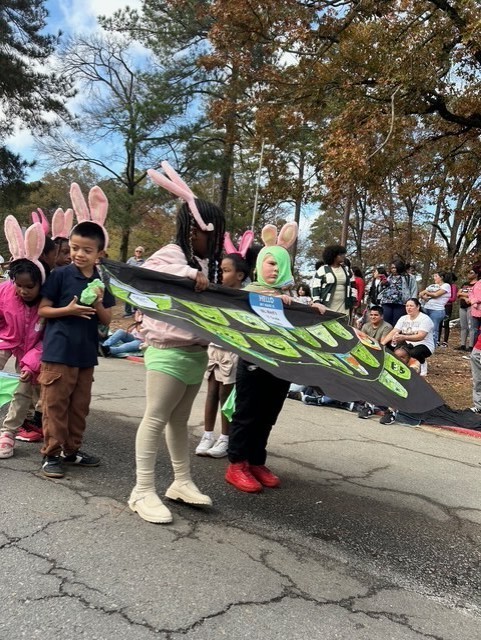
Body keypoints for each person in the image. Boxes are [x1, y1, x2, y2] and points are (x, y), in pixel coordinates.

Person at [127, 162, 225, 524]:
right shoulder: (174, 254)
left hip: (196, 354)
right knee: (155, 418)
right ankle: (142, 489)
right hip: (167, 352)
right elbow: (148, 274)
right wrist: (188, 273)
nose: (213, 241)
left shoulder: (203, 261)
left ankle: (181, 482)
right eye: (209, 233)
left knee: (179, 422)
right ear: (194, 228)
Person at [225, 222, 327, 493]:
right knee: (247, 414)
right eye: (268, 263)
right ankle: (237, 464)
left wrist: (313, 308)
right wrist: (272, 300)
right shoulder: (249, 292)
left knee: (268, 416)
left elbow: (300, 312)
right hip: (254, 363)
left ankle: (257, 461)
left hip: (282, 366)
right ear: (259, 265)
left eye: (277, 264)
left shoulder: (291, 296)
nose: (272, 269)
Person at [38, 183, 115, 479]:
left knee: (79, 407)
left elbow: (107, 319)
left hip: (85, 356)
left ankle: (72, 451)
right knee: (55, 405)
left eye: (86, 250)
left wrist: (96, 302)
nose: (78, 254)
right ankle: (51, 454)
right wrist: (67, 311)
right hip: (58, 352)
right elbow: (43, 310)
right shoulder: (60, 275)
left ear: (99, 252)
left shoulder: (101, 280)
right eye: (74, 248)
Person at [196, 250, 252, 458]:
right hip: (214, 348)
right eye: (220, 270)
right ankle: (207, 434)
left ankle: (225, 438)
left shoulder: (245, 297)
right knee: (211, 392)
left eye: (226, 271)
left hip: (232, 351)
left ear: (240, 275)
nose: (221, 274)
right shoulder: (215, 292)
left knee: (225, 395)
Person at [0, 217, 46, 459]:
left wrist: (31, 363)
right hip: (6, 341)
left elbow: (46, 338)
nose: (24, 291)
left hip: (31, 352)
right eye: (19, 286)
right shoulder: (5, 291)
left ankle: (8, 432)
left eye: (30, 286)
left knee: (23, 387)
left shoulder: (47, 302)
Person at [381, 298, 434, 367]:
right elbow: (394, 331)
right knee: (389, 345)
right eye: (407, 306)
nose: (408, 308)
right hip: (407, 344)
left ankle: (422, 363)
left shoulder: (425, 319)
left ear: (418, 307)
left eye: (411, 306)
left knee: (413, 353)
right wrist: (382, 344)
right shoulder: (403, 318)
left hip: (424, 344)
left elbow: (421, 336)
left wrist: (404, 337)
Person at [311, 244, 356, 315]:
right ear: (334, 256)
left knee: (342, 323)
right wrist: (317, 301)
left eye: (343, 254)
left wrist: (354, 299)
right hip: (327, 304)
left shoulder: (347, 269)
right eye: (341, 254)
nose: (343, 256)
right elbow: (316, 287)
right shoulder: (323, 269)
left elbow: (353, 285)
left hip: (344, 304)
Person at [379, 259, 417, 327]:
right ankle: (386, 337)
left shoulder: (408, 277)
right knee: (386, 324)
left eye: (394, 267)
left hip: (400, 303)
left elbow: (414, 290)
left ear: (399, 267)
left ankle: (395, 337)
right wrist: (382, 284)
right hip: (386, 302)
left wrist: (412, 302)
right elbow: (380, 290)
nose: (393, 269)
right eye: (392, 268)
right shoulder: (388, 277)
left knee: (397, 324)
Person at [419, 271, 451, 347]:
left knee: (434, 328)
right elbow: (421, 294)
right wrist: (424, 296)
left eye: (436, 276)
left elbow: (436, 295)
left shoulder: (446, 286)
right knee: (425, 327)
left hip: (437, 310)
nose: (434, 278)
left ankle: (432, 345)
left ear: (441, 277)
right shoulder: (433, 286)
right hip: (426, 308)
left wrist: (427, 292)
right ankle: (424, 343)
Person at [456, 268, 477, 351]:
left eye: (471, 272)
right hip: (463, 307)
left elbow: (475, 294)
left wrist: (464, 294)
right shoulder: (465, 284)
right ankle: (462, 345)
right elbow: (458, 294)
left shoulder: (477, 284)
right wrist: (465, 297)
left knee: (472, 326)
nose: (469, 274)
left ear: (476, 274)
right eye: (468, 272)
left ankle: (471, 346)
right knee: (463, 326)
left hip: (471, 306)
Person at [124, 246, 145, 317]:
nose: (138, 252)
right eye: (137, 251)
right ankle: (128, 312)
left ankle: (136, 311)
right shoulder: (130, 260)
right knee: (127, 295)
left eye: (140, 251)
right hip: (129, 280)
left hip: (138, 281)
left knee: (137, 296)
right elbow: (125, 268)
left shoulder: (144, 262)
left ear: (142, 253)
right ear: (134, 252)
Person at [440, 272, 458, 347]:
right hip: (440, 306)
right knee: (439, 323)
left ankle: (445, 341)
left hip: (447, 306)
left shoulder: (453, 286)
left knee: (446, 323)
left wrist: (443, 299)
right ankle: (437, 340)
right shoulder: (442, 286)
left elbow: (453, 298)